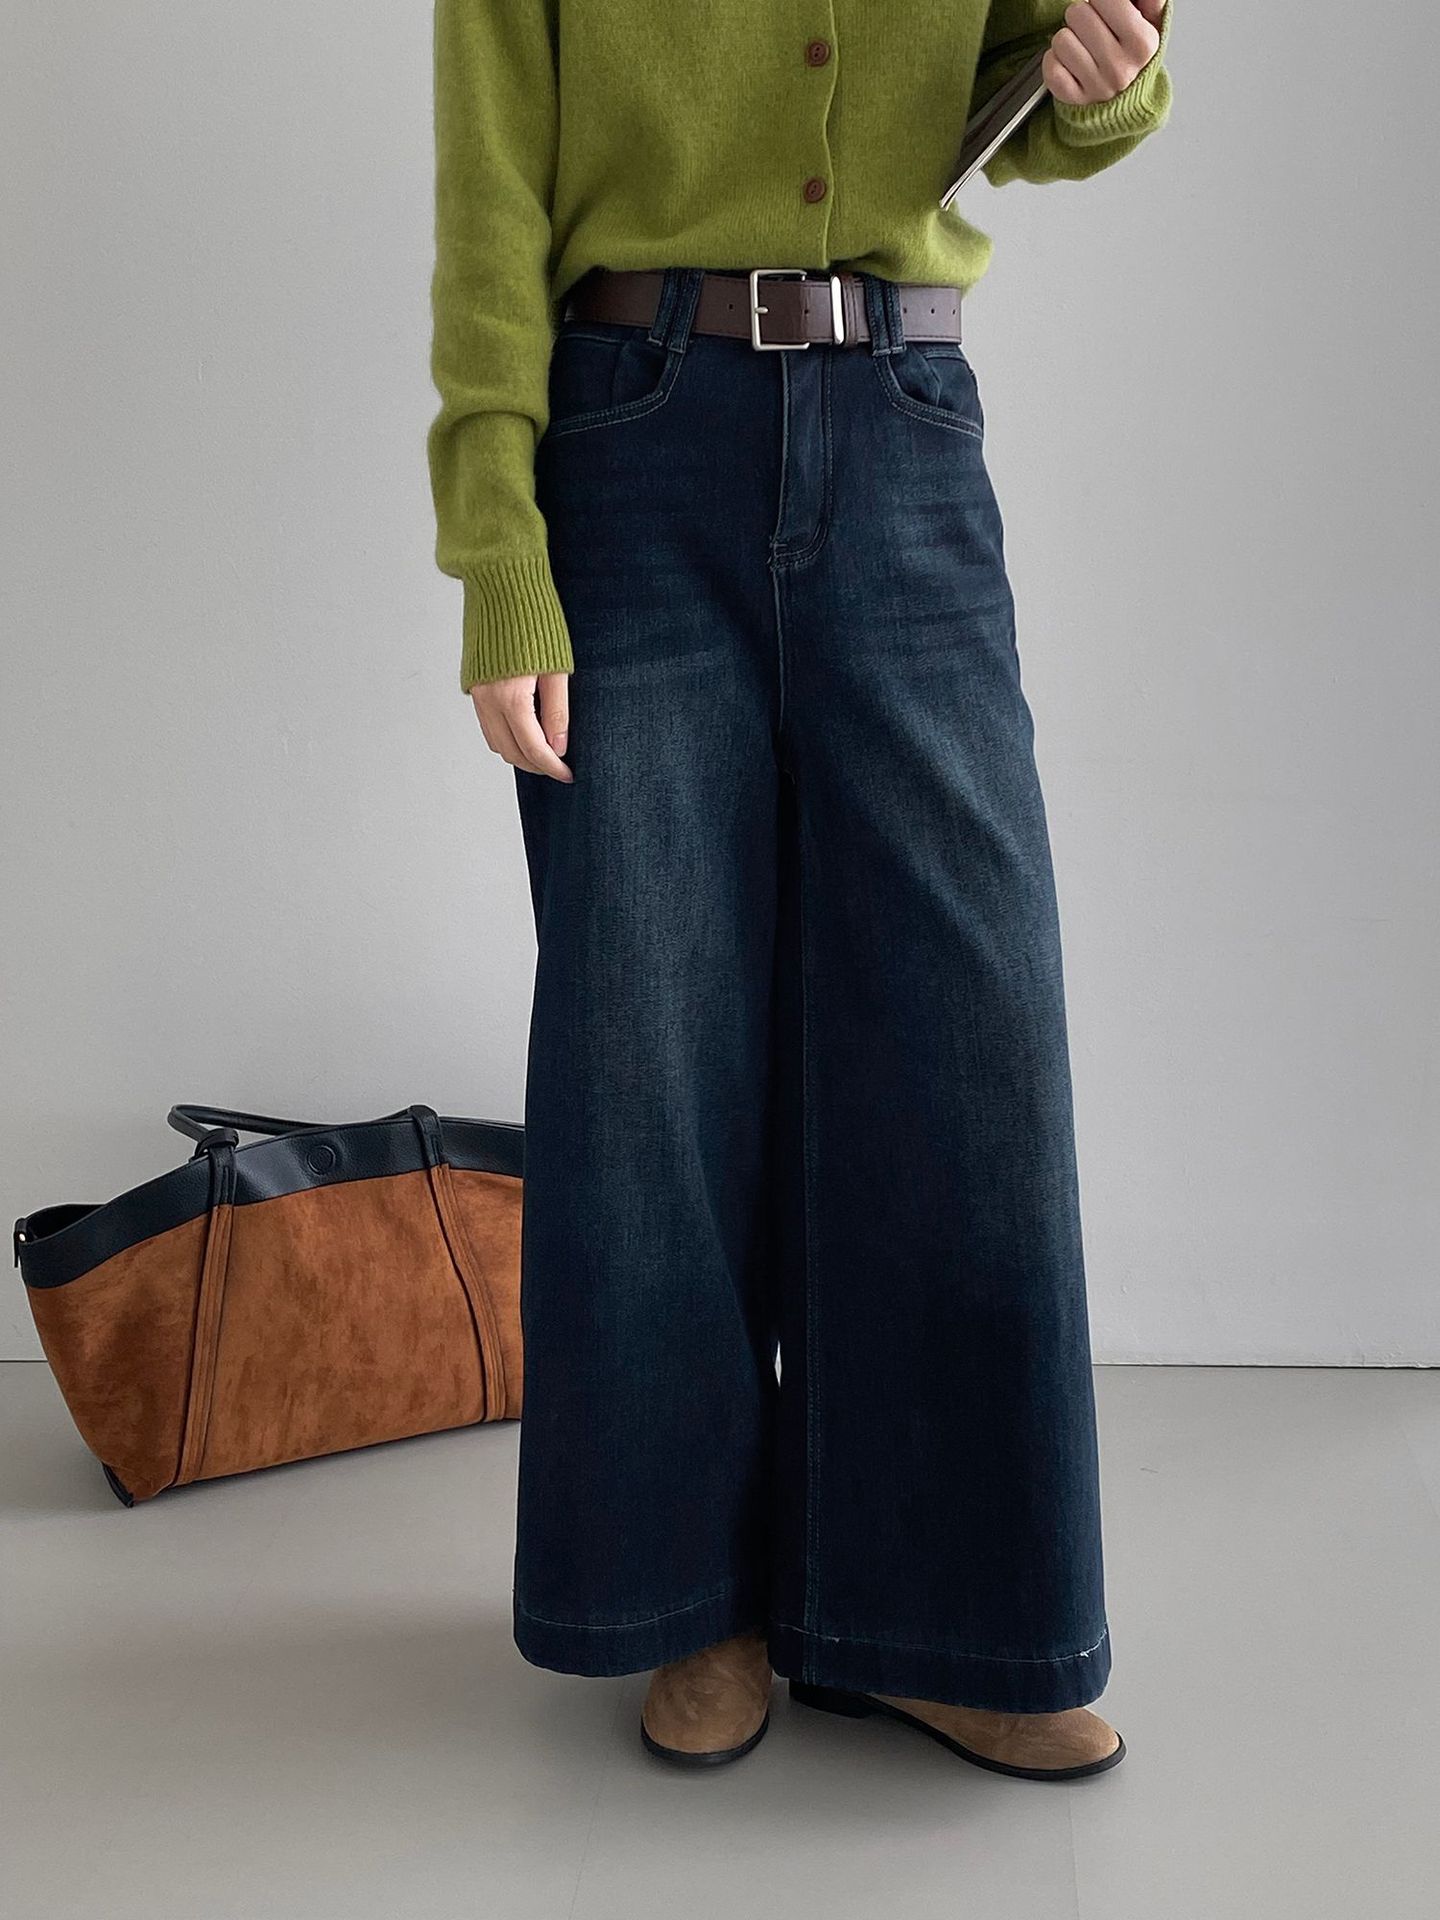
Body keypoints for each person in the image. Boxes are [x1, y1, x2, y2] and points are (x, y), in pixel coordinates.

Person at [427, 0, 1174, 1781]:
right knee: (649, 1049)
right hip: (631, 436)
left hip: (905, 417)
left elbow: (1048, 63)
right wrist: (498, 551)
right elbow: (488, 203)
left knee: (967, 1039)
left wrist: (1107, 78)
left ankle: (945, 1614)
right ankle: (695, 1601)